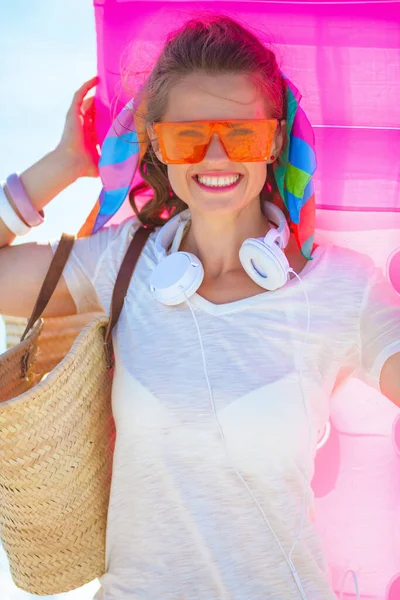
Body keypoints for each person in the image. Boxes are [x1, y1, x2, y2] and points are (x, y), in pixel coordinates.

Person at [1, 14, 400, 600]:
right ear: (157, 147)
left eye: (242, 136)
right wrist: (65, 164)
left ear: (276, 142)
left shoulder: (339, 287)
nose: (215, 157)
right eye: (188, 137)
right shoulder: (122, 264)